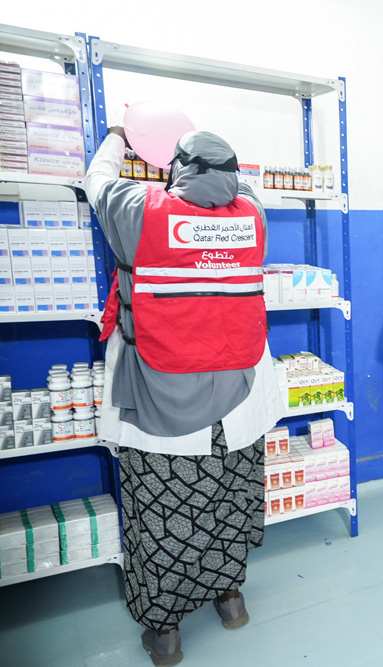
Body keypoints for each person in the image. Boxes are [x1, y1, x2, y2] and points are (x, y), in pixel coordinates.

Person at [84, 127, 283, 666]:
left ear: (178, 170)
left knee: (162, 514)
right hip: (240, 398)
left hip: (161, 401)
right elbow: (242, 191)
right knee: (228, 505)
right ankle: (231, 600)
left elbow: (96, 179)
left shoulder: (141, 210)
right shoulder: (253, 216)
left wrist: (121, 137)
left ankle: (166, 632)